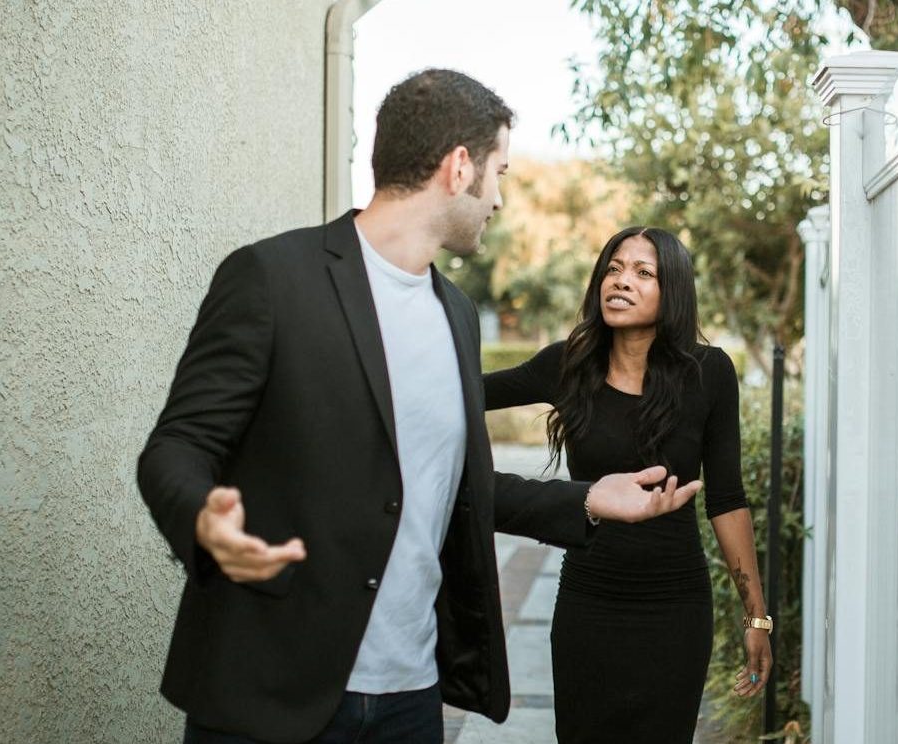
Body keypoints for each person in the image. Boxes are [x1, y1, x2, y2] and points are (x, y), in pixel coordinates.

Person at [136, 70, 703, 744]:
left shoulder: (457, 315)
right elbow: (176, 446)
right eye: (500, 173)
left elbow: (455, 489)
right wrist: (203, 519)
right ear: (460, 167)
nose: (499, 199)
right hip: (272, 688)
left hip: (410, 697)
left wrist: (585, 499)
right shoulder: (271, 279)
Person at [483, 226, 774, 743]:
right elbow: (463, 393)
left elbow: (727, 501)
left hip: (675, 609)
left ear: (674, 291)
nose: (621, 282)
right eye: (614, 269)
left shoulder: (709, 373)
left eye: (644, 273)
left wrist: (757, 619)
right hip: (588, 605)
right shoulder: (566, 365)